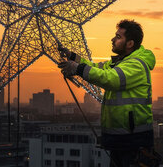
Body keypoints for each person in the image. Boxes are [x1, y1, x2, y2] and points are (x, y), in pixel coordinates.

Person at [58, 19, 157, 167]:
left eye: (118, 37)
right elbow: (94, 68)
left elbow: (110, 79)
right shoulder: (118, 63)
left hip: (134, 141)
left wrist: (77, 69)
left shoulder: (136, 64)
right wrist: (73, 57)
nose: (112, 39)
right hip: (120, 140)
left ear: (130, 44)